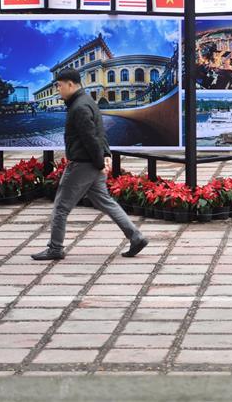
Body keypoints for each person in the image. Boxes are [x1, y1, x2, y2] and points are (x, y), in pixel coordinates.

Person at [31, 69, 147, 261]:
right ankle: (136, 237)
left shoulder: (79, 107)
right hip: (92, 163)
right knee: (106, 202)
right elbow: (100, 132)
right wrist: (106, 155)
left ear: (70, 84)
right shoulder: (87, 102)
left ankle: (55, 248)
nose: (57, 89)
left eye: (59, 85)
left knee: (61, 207)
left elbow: (91, 138)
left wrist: (101, 161)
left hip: (82, 164)